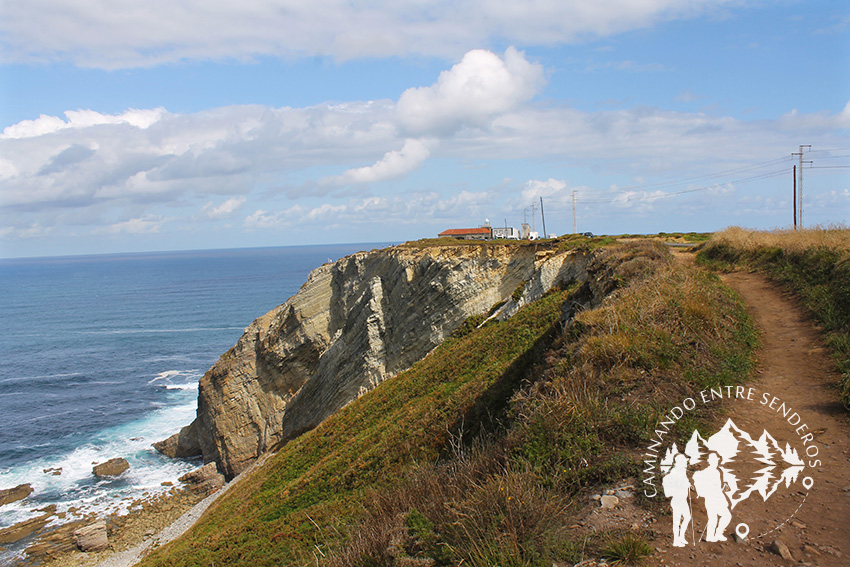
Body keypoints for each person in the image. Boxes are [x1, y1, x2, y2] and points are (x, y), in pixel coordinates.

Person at [693, 452, 732, 542]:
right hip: (712, 498)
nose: (716, 462)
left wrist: (722, 488)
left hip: (716, 497)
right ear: (710, 461)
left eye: (716, 460)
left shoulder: (716, 472)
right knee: (722, 516)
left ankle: (713, 535)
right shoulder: (708, 472)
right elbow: (711, 487)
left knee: (716, 517)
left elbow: (716, 487)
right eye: (714, 460)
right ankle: (715, 534)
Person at [662, 453, 692, 547]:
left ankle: (681, 537)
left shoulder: (682, 472)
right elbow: (669, 491)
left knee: (687, 517)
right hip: (677, 500)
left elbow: (686, 483)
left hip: (683, 499)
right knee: (677, 520)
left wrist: (689, 485)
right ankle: (676, 540)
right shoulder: (674, 474)